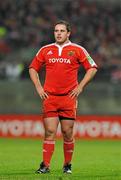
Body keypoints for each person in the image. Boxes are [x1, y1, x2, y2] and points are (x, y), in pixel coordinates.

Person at [29, 20, 98, 174]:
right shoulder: (45, 50)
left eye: (61, 31)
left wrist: (80, 87)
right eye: (56, 31)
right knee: (50, 131)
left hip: (68, 97)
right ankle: (45, 165)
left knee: (67, 132)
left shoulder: (78, 49)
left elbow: (92, 68)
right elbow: (33, 68)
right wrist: (39, 87)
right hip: (50, 97)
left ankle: (67, 165)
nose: (58, 33)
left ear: (68, 33)